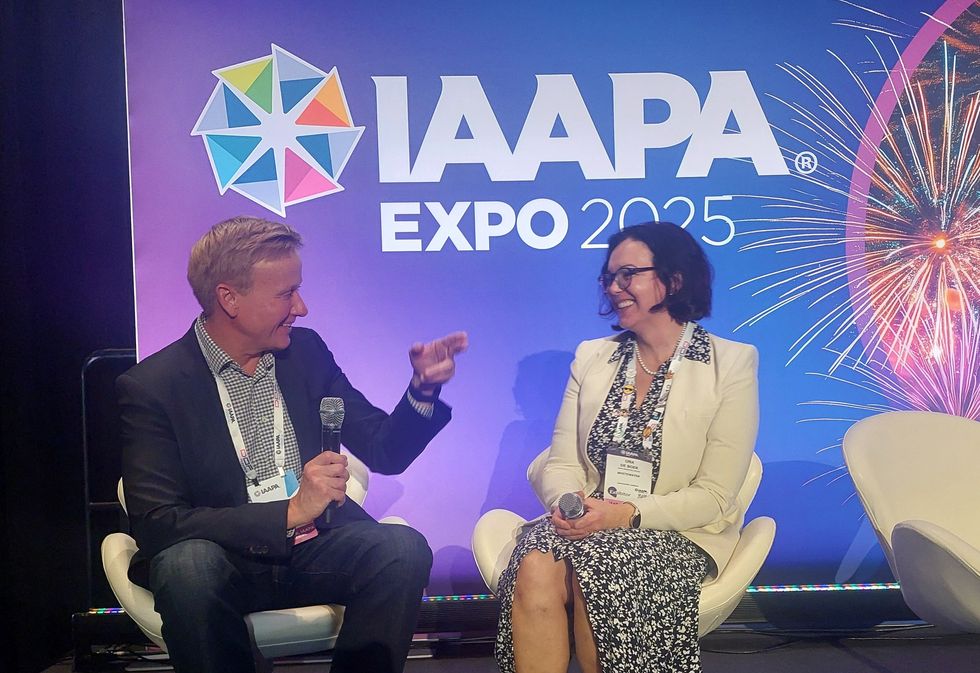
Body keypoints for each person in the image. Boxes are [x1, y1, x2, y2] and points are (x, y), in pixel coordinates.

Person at [117, 216, 467, 673]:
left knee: (401, 550)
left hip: (315, 547)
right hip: (222, 556)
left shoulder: (305, 353)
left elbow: (385, 449)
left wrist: (422, 390)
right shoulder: (153, 386)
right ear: (230, 299)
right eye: (286, 294)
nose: (301, 308)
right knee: (187, 567)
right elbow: (159, 523)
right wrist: (287, 512)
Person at [494, 222, 759, 673]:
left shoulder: (730, 363)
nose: (614, 288)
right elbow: (561, 463)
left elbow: (715, 496)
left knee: (600, 561)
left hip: (676, 531)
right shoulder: (593, 357)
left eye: (628, 274)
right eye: (609, 277)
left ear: (674, 280)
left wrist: (625, 515)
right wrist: (572, 507)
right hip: (587, 523)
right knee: (537, 560)